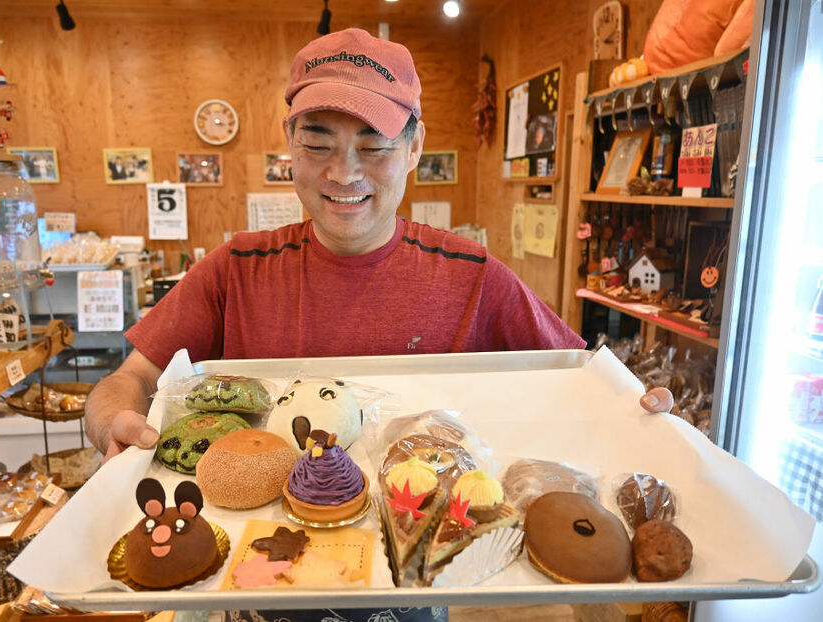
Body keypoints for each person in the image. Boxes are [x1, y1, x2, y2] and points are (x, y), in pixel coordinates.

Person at [85, 28, 673, 622]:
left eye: (375, 146)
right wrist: (114, 421)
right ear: (289, 142)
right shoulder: (233, 271)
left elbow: (579, 376)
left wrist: (637, 407)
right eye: (318, 143)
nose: (344, 173)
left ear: (415, 148)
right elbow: (129, 379)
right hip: (249, 587)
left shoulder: (474, 277)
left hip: (417, 589)